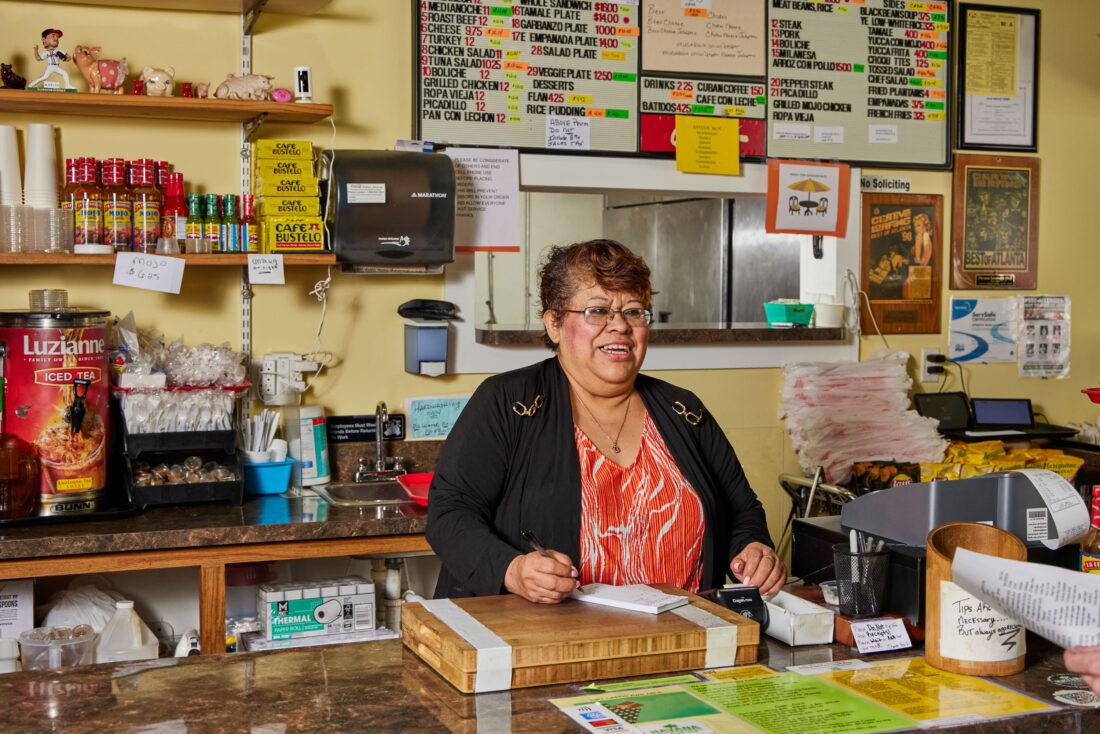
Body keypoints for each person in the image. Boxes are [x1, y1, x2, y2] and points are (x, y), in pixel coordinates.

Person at [426, 239, 787, 604]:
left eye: (634, 311)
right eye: (598, 310)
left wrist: (755, 549)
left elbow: (742, 511)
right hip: (550, 644)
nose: (620, 327)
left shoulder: (683, 410)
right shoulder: (509, 403)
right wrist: (511, 569)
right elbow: (450, 513)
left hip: (683, 638)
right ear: (554, 323)